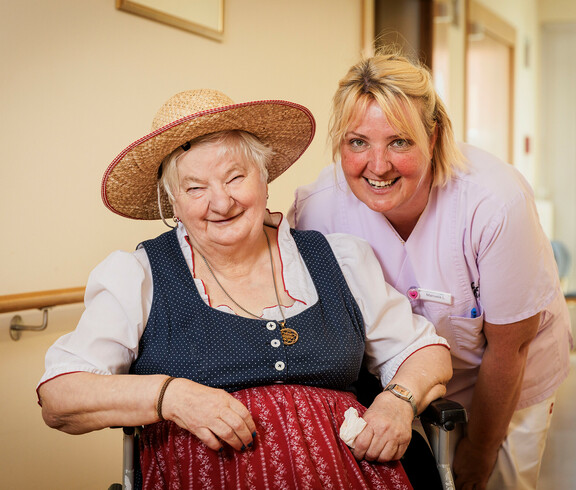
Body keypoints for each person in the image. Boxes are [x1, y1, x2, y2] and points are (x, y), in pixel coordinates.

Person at [37, 89, 452, 489]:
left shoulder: (339, 259)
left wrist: (398, 400)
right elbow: (60, 396)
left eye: (235, 177)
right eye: (195, 188)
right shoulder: (138, 276)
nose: (221, 202)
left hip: (352, 474)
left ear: (264, 177)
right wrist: (172, 396)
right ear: (173, 203)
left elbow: (423, 351)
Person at [290, 51, 573, 490]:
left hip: (504, 377)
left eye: (399, 142)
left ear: (433, 136)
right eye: (357, 142)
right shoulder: (317, 209)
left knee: (496, 481)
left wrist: (479, 454)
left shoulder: (494, 202)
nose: (377, 165)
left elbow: (509, 349)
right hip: (402, 382)